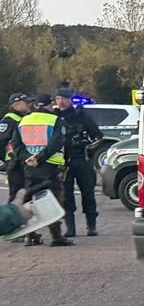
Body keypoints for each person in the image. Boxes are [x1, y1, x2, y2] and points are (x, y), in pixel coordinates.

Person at [14, 95, 72, 247]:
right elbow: (57, 142)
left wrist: (28, 158)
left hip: (29, 167)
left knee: (29, 199)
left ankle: (30, 235)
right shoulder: (54, 120)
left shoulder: (23, 121)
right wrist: (39, 158)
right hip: (49, 165)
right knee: (52, 200)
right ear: (49, 105)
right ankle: (56, 236)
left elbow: (16, 145)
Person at [52, 89, 103, 237]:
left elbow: (98, 137)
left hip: (81, 159)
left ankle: (91, 226)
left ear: (70, 100)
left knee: (88, 193)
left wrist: (88, 150)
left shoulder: (82, 115)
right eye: (58, 98)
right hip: (63, 161)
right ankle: (70, 228)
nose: (61, 102)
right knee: (66, 196)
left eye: (64, 99)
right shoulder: (55, 117)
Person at [3, 92, 31, 199]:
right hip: (14, 164)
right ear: (16, 105)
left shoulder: (24, 120)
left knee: (25, 196)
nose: (28, 105)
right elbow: (1, 142)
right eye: (25, 103)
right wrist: (6, 161)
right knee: (16, 197)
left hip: (23, 161)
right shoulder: (9, 121)